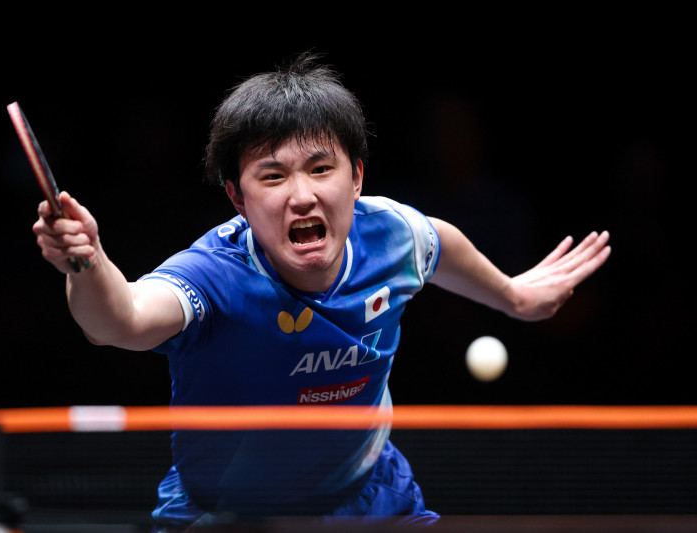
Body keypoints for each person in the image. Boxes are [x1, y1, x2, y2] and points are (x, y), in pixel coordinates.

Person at [32, 53, 611, 529]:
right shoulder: (215, 274)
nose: (302, 195)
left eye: (320, 168)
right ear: (237, 197)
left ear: (356, 176)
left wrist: (514, 296)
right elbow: (120, 321)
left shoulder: (392, 235)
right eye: (273, 175)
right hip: (230, 515)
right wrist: (87, 262)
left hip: (369, 499)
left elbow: (440, 244)